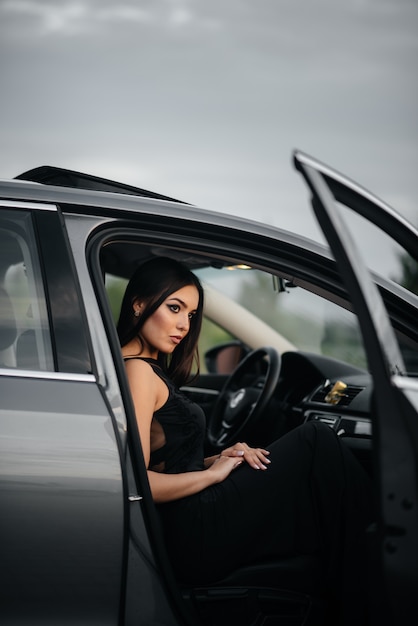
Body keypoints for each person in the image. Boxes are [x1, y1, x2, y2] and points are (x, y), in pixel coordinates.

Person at [117, 256, 373, 625]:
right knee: (316, 440)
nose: (183, 325)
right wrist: (213, 475)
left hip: (190, 519)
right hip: (192, 530)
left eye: (190, 315)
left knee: (308, 468)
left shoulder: (143, 368)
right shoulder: (138, 371)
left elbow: (166, 460)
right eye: (174, 308)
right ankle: (388, 557)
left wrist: (222, 457)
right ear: (139, 304)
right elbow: (140, 482)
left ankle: (363, 572)